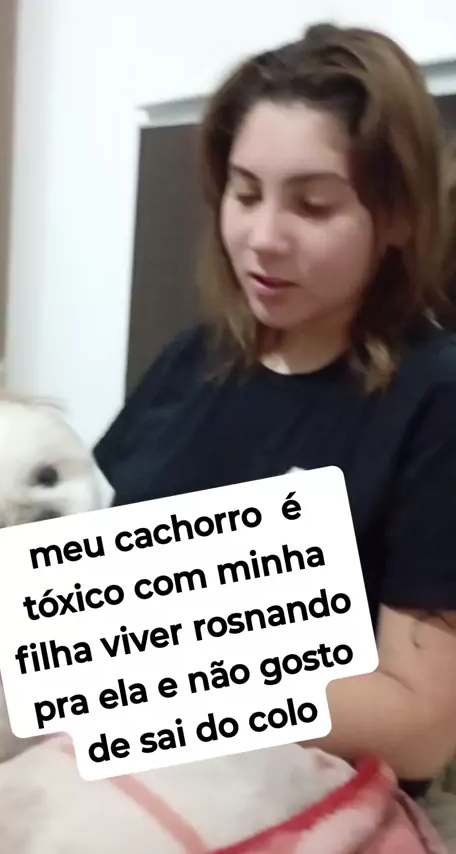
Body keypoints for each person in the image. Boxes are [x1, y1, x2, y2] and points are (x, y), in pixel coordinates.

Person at [93, 23, 456, 801]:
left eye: (314, 206)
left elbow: (423, 722)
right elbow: (89, 567)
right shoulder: (196, 357)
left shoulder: (436, 400)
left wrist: (148, 666)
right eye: (245, 193)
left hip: (286, 801)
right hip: (116, 762)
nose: (262, 239)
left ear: (398, 216)